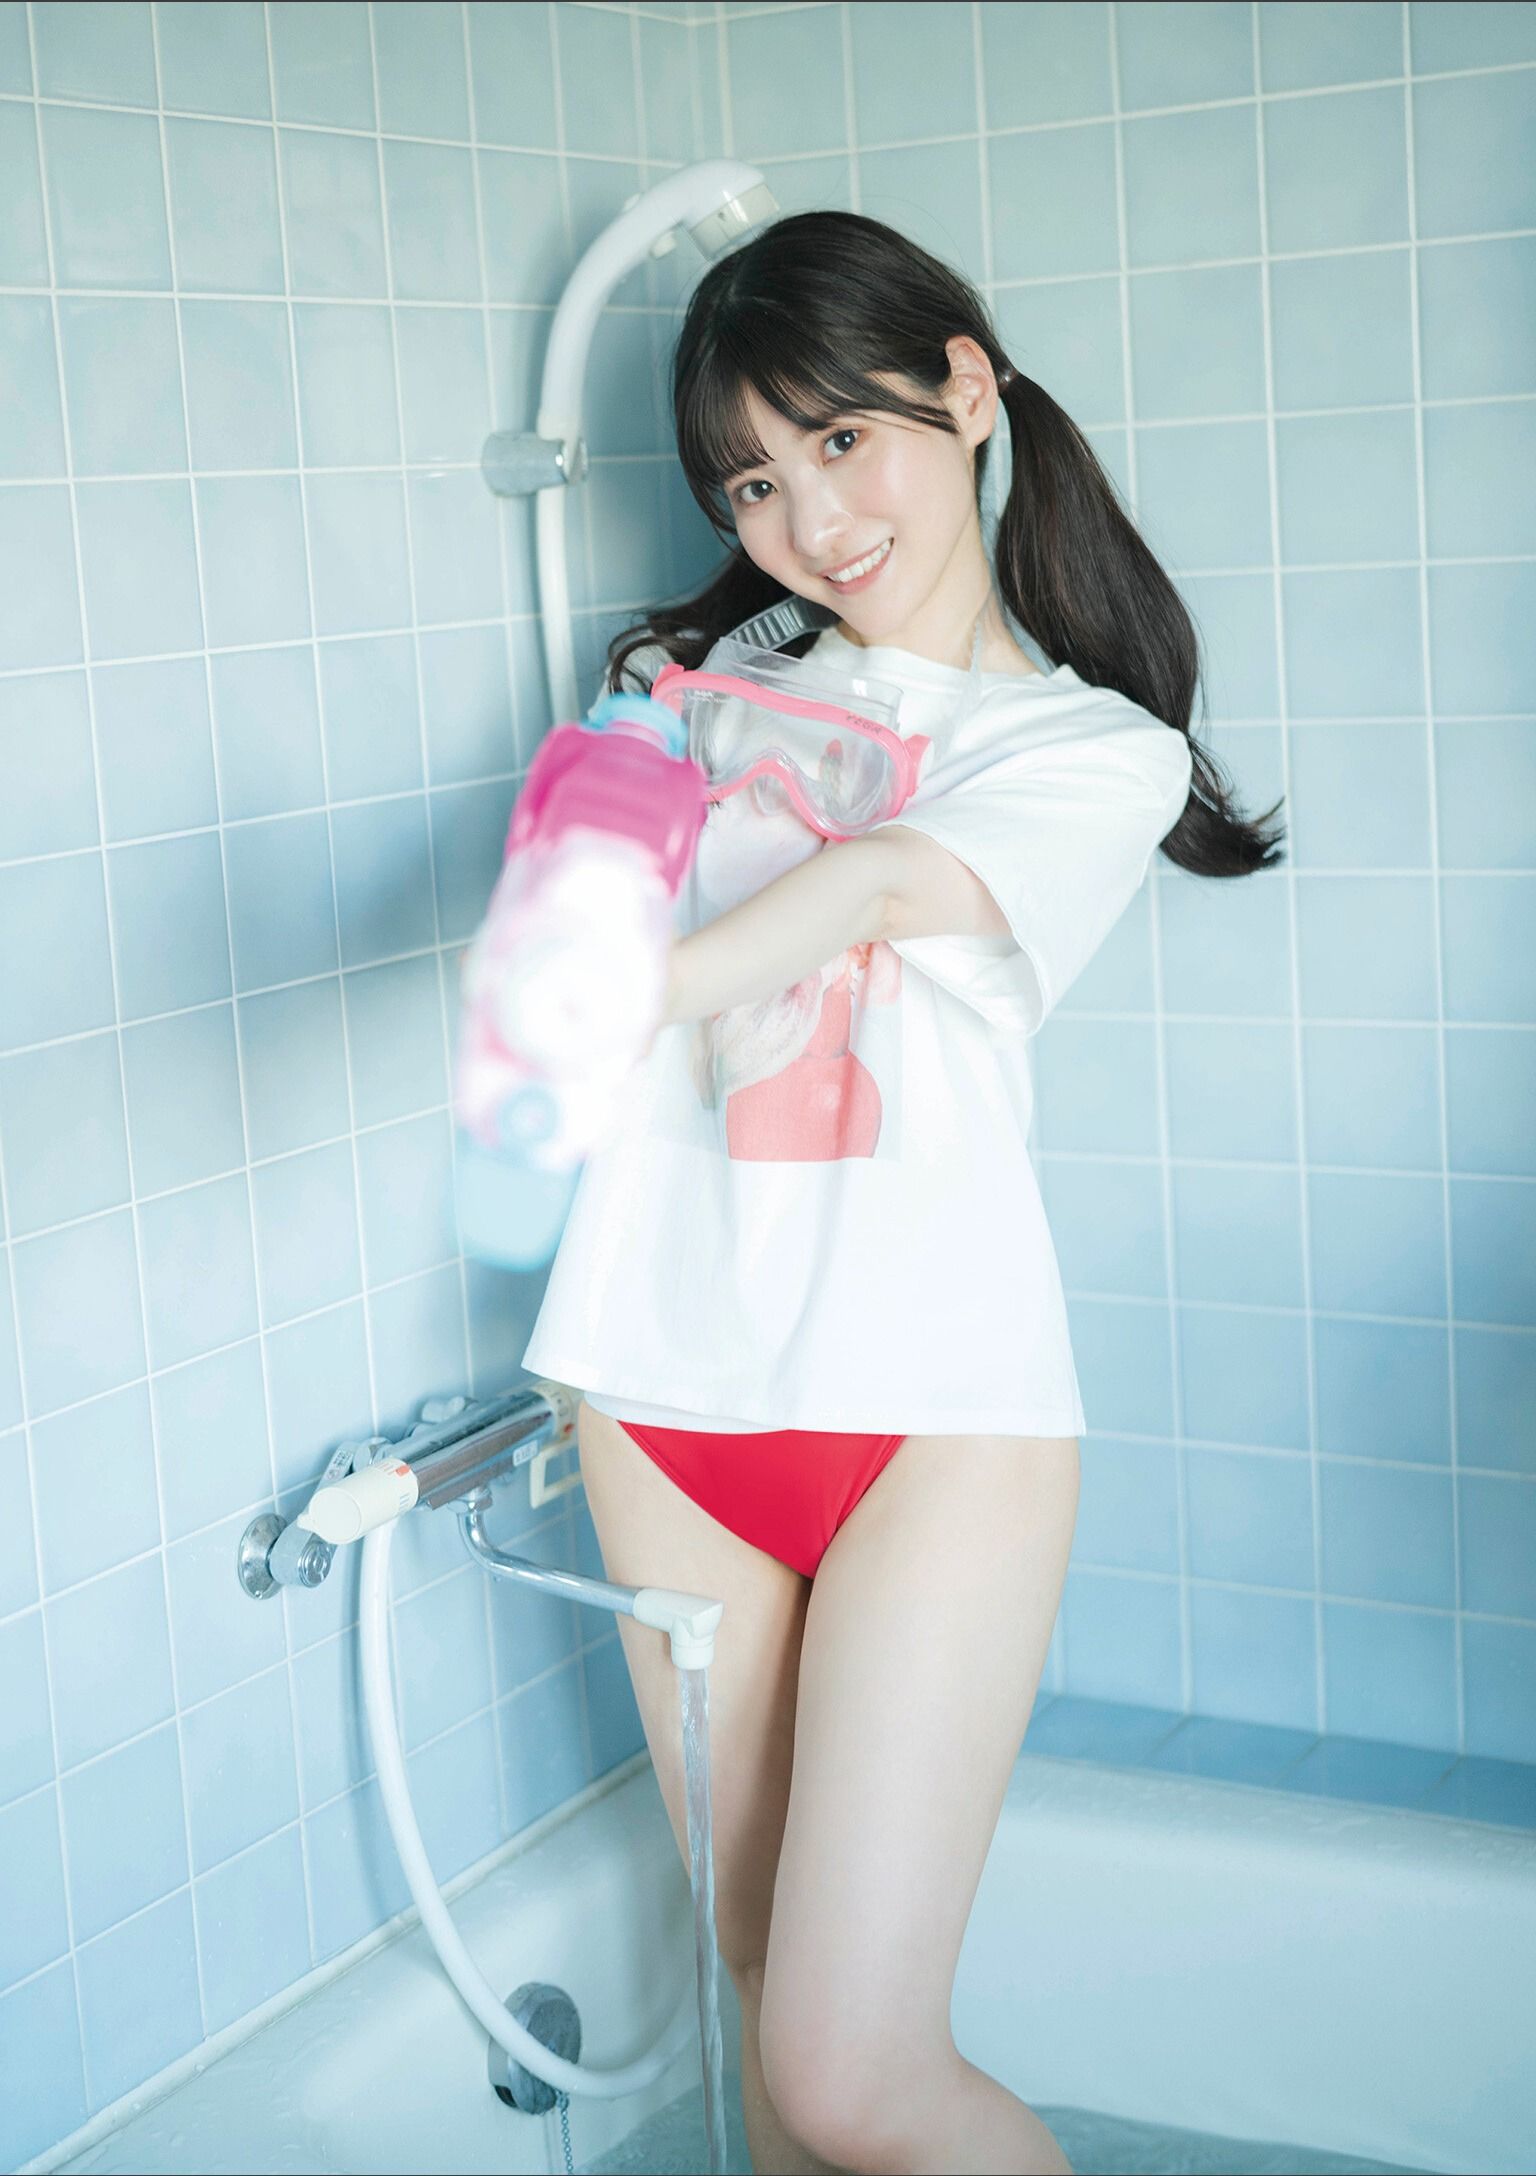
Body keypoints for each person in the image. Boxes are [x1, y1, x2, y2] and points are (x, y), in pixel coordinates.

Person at [522, 212, 1284, 2175]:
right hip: (656, 1381)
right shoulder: (698, 686)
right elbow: (571, 879)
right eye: (753, 482)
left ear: (965, 387)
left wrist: (624, 986)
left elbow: (873, 884)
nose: (809, 519)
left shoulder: (1087, 748)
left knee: (855, 2071)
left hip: (935, 1412)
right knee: (764, 2008)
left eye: (841, 441)